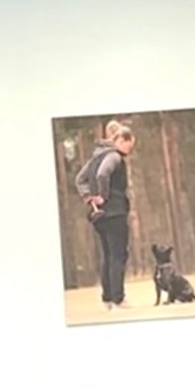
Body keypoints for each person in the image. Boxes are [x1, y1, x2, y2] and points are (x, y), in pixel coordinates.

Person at [75, 122, 137, 311]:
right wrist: (103, 196)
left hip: (100, 215)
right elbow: (103, 175)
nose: (129, 151)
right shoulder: (114, 156)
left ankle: (107, 299)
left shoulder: (95, 157)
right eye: (129, 146)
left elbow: (80, 179)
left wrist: (88, 197)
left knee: (108, 255)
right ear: (121, 140)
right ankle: (118, 299)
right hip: (114, 212)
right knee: (118, 254)